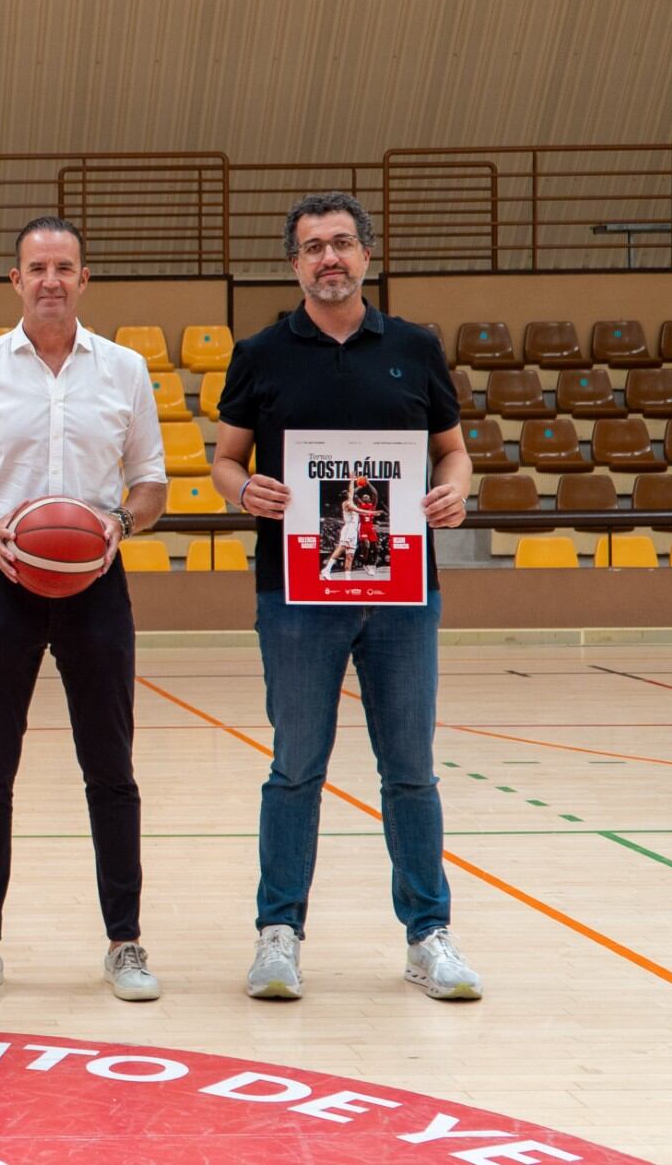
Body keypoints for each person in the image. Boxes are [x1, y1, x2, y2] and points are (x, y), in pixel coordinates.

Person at [209, 191, 479, 1002]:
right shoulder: (261, 352)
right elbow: (224, 459)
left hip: (401, 593)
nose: (328, 258)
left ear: (366, 253)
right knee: (296, 766)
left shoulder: (415, 347)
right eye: (311, 247)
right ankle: (278, 933)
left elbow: (454, 452)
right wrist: (242, 489)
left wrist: (457, 491)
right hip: (295, 595)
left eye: (341, 243)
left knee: (410, 769)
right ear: (293, 264)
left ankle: (429, 934)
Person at [0, 216, 168, 1005]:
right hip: (3, 579)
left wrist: (117, 525)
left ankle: (125, 942)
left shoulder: (125, 369)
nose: (51, 278)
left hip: (96, 583)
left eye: (64, 266)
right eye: (37, 266)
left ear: (84, 279)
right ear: (15, 279)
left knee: (111, 766)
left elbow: (152, 482)